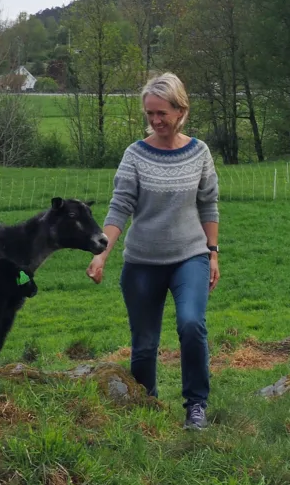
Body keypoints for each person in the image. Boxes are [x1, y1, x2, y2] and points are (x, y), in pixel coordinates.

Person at [88, 73, 219, 430]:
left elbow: (209, 205)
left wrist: (213, 252)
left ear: (180, 111)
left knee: (192, 325)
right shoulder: (135, 154)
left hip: (189, 256)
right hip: (142, 262)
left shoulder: (199, 153)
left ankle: (196, 405)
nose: (156, 121)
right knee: (144, 345)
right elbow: (119, 208)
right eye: (150, 115)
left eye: (162, 113)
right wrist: (101, 254)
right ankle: (147, 406)